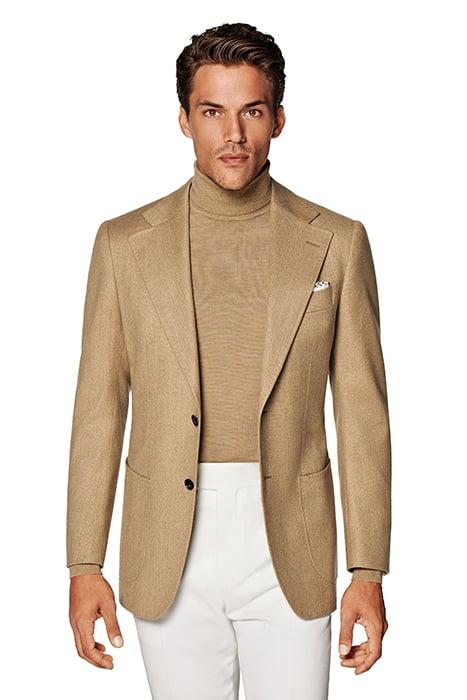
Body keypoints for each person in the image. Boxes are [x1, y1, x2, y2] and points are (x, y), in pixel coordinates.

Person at [66, 22, 391, 699]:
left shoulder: (337, 242)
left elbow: (362, 414)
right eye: (212, 112)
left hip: (293, 543)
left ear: (279, 119)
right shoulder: (123, 244)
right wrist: (83, 563)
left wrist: (367, 571)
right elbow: (98, 407)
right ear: (184, 119)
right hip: (166, 539)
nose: (233, 134)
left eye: (252, 111)